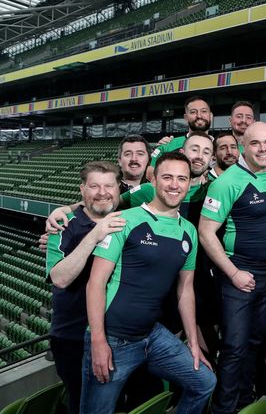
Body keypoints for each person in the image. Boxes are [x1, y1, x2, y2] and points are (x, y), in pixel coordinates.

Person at [82, 152, 216, 414]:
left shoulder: (188, 230)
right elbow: (95, 284)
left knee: (204, 382)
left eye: (182, 178)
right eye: (167, 177)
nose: (174, 185)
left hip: (152, 335)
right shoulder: (125, 220)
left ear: (190, 183)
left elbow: (185, 289)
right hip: (113, 338)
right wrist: (98, 341)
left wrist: (192, 342)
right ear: (153, 179)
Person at [198, 122, 266, 413]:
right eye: (255, 143)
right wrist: (233, 273)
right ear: (242, 146)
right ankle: (223, 407)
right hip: (239, 276)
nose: (263, 149)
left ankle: (245, 402)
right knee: (234, 346)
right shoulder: (226, 182)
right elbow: (206, 232)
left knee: (256, 342)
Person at [46, 161, 125, 414]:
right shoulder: (62, 225)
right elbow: (59, 278)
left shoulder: (127, 219)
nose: (102, 192)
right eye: (94, 186)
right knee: (82, 404)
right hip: (74, 336)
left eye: (109, 186)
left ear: (119, 188)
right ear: (82, 189)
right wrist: (94, 235)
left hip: (119, 335)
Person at [147, 95, 213, 180]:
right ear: (186, 117)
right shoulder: (167, 145)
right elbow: (150, 174)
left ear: (210, 115)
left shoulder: (221, 146)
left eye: (204, 111)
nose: (199, 116)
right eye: (193, 112)